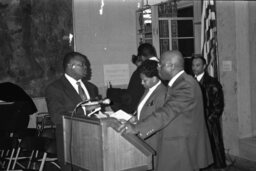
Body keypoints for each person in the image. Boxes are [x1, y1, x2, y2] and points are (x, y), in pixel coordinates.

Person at [118, 50, 213, 171]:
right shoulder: (178, 83)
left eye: (160, 64)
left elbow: (167, 112)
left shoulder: (186, 84)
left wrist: (137, 128)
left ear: (171, 66)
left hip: (182, 149)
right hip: (177, 146)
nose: (157, 67)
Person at [45, 51, 99, 171]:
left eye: (86, 65)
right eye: (82, 64)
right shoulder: (55, 88)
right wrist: (84, 110)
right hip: (71, 146)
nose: (86, 68)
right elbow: (57, 117)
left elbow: (95, 114)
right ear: (70, 66)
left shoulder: (91, 88)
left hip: (93, 143)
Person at [192, 56, 226, 169]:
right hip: (195, 123)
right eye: (193, 65)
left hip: (209, 124)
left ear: (204, 66)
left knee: (212, 152)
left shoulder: (212, 83)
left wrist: (209, 121)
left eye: (198, 65)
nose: (194, 68)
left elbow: (218, 106)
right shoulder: (190, 82)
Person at [132, 60, 167, 169]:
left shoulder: (162, 93)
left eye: (144, 80)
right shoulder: (149, 89)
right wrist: (135, 118)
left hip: (154, 141)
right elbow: (144, 110)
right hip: (144, 138)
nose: (142, 83)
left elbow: (160, 120)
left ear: (155, 78)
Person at [107, 43, 159, 114]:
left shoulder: (141, 71)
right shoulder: (161, 68)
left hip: (143, 111)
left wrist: (111, 93)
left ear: (141, 57)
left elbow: (131, 97)